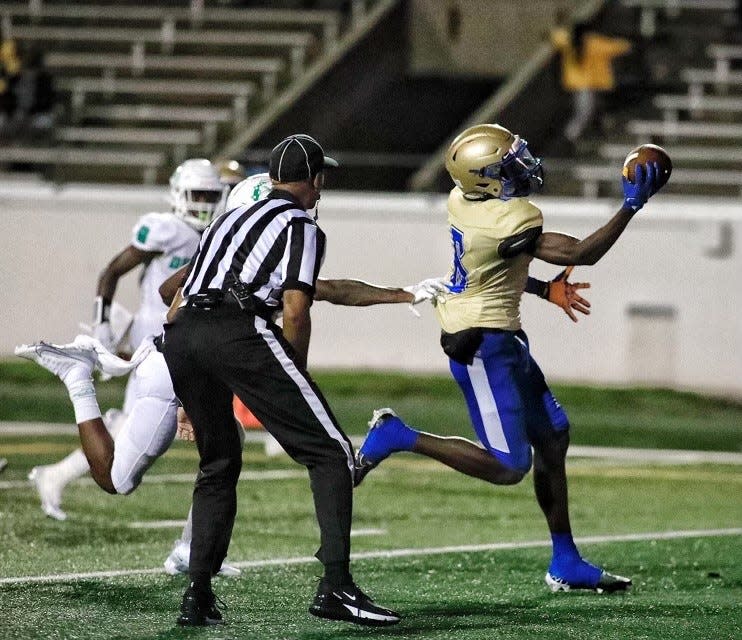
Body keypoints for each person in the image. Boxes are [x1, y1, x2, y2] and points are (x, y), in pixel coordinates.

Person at [16, 170, 451, 580]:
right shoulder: (237, 249)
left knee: (226, 449)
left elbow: (326, 289)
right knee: (118, 479)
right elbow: (177, 292)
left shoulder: (240, 249)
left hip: (188, 362)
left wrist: (404, 293)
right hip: (174, 369)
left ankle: (193, 555)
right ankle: (78, 380)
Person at [353, 123, 660, 595]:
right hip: (480, 343)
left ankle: (566, 561)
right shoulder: (510, 217)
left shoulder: (464, 201)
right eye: (508, 162)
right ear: (485, 178)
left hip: (502, 333)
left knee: (553, 437)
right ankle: (398, 435)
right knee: (508, 464)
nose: (523, 164)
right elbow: (582, 253)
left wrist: (542, 288)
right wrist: (630, 207)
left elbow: (499, 266)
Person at [27, 158, 228, 522]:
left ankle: (54, 475)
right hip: (154, 339)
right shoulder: (165, 229)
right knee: (148, 436)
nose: (202, 202)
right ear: (179, 195)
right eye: (196, 194)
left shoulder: (213, 232)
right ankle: (54, 473)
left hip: (177, 339)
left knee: (134, 425)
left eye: (209, 195)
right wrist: (102, 325)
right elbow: (112, 271)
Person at [551, 19, 632, 145]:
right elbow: (616, 47)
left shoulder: (569, 41)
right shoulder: (592, 43)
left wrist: (560, 22)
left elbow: (556, 36)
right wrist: (629, 43)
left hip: (575, 85)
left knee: (591, 110)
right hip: (586, 85)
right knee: (585, 112)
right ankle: (569, 138)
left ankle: (589, 135)